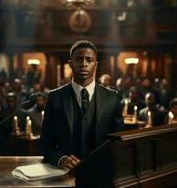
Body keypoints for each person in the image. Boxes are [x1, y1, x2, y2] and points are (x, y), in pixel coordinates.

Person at [40, 40, 124, 171]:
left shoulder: (112, 97)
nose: (84, 64)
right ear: (71, 64)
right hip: (65, 173)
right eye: (79, 59)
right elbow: (45, 142)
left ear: (95, 65)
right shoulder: (55, 97)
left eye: (89, 60)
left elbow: (118, 141)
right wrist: (60, 159)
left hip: (101, 173)